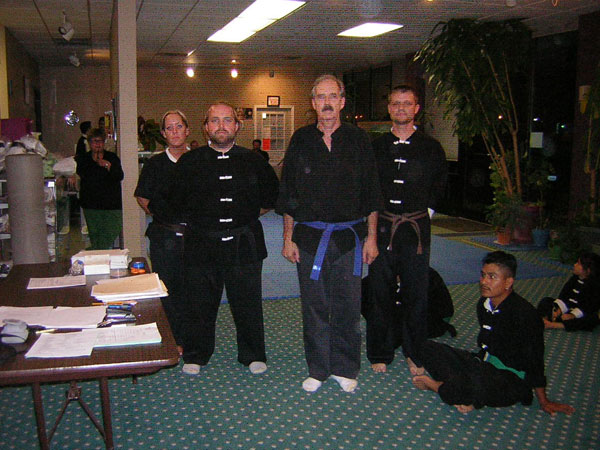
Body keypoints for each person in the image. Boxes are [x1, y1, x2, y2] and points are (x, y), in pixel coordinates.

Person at [152, 102, 279, 376]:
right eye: (215, 120)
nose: (221, 126)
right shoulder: (189, 162)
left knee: (247, 304)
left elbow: (270, 198)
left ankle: (253, 354)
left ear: (237, 126)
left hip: (244, 244)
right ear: (206, 127)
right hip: (201, 244)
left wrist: (242, 217)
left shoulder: (255, 160)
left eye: (227, 120)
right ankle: (196, 354)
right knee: (200, 304)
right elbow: (170, 203)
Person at [276, 74, 383, 393]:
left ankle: (345, 367)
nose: (326, 103)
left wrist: (372, 238)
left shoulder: (358, 139)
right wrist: (287, 238)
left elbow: (371, 192)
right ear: (313, 103)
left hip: (350, 238)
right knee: (314, 306)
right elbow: (289, 192)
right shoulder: (301, 139)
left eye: (332, 96)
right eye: (321, 97)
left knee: (348, 305)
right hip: (309, 237)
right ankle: (319, 368)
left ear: (342, 102)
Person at [413, 251, 575, 416]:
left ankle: (440, 387)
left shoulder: (525, 315)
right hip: (483, 364)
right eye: (483, 275)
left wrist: (544, 401)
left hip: (510, 378)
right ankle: (464, 392)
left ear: (508, 282)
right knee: (425, 347)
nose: (484, 281)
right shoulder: (484, 304)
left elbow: (536, 361)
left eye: (492, 277)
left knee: (470, 386)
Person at [365, 85, 447, 375]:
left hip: (416, 230)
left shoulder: (431, 147)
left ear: (416, 109)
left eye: (407, 103)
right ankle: (380, 351)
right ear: (389, 108)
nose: (401, 108)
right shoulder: (376, 147)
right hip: (382, 227)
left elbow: (440, 184)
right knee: (379, 291)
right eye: (396, 103)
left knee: (416, 293)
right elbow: (368, 187)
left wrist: (426, 213)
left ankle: (415, 352)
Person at [134, 110, 191, 352]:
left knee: (195, 288)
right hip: (165, 237)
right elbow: (143, 197)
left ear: (187, 130)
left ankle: (194, 338)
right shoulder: (155, 164)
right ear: (164, 134)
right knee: (168, 289)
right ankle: (174, 339)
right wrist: (164, 216)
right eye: (169, 128)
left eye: (179, 126)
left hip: (196, 237)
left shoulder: (200, 160)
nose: (175, 131)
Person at [75, 127, 124, 250]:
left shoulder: (112, 158)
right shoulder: (84, 159)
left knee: (110, 233)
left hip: (111, 206)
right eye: (94, 141)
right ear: (89, 143)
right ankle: (97, 256)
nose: (97, 144)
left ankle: (97, 253)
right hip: (91, 205)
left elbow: (119, 176)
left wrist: (108, 166)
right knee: (95, 236)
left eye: (100, 141)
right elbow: (81, 174)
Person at [538, 252, 600, 331]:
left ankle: (556, 325)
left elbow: (589, 307)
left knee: (591, 319)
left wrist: (573, 315)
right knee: (546, 301)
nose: (575, 265)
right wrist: (559, 310)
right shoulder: (573, 279)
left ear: (587, 270)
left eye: (578, 264)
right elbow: (564, 295)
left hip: (580, 312)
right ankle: (545, 319)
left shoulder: (594, 286)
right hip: (566, 308)